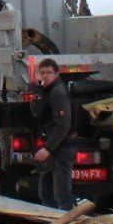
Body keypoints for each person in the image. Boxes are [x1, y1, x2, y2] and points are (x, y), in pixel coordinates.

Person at [30, 57, 75, 211]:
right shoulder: (45, 91)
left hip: (61, 148)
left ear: (56, 74)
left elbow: (63, 124)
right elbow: (37, 113)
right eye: (42, 73)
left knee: (62, 193)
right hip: (52, 148)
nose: (45, 76)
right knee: (46, 192)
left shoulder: (58, 92)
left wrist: (48, 148)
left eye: (49, 72)